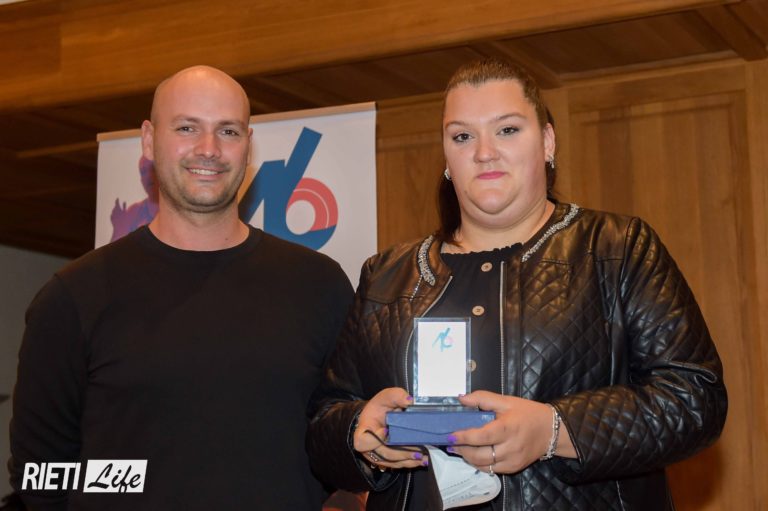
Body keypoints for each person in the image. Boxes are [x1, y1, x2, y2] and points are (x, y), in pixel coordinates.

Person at [306, 58, 727, 510]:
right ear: (446, 156)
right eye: (462, 136)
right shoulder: (386, 274)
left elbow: (694, 398)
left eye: (507, 130)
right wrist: (360, 434)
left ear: (547, 141)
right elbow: (323, 425)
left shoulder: (617, 249)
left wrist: (555, 430)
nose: (484, 152)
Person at [9, 66, 353, 510]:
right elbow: (39, 474)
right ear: (149, 140)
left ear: (248, 145)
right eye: (187, 128)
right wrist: (139, 478)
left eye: (228, 131)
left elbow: (346, 443)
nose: (209, 149)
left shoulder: (319, 285)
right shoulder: (74, 297)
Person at [110, 155, 159, 241]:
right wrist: (118, 228)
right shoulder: (134, 212)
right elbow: (115, 249)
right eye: (143, 172)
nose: (148, 176)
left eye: (152, 169)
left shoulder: (176, 208)